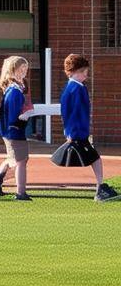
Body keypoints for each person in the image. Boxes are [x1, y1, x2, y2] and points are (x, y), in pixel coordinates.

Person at [52, 53, 119, 203]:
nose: (86, 75)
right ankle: (100, 189)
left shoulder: (71, 88)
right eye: (84, 72)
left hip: (77, 131)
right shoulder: (77, 89)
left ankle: (100, 187)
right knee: (95, 158)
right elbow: (75, 112)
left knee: (95, 158)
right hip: (78, 132)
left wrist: (68, 131)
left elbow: (67, 113)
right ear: (77, 71)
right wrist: (73, 132)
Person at [0, 57, 33, 201]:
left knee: (12, 158)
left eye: (25, 70)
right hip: (14, 131)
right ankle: (21, 192)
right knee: (21, 161)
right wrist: (23, 117)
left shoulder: (13, 89)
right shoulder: (14, 91)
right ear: (12, 71)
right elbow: (13, 115)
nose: (23, 73)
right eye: (21, 70)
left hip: (10, 131)